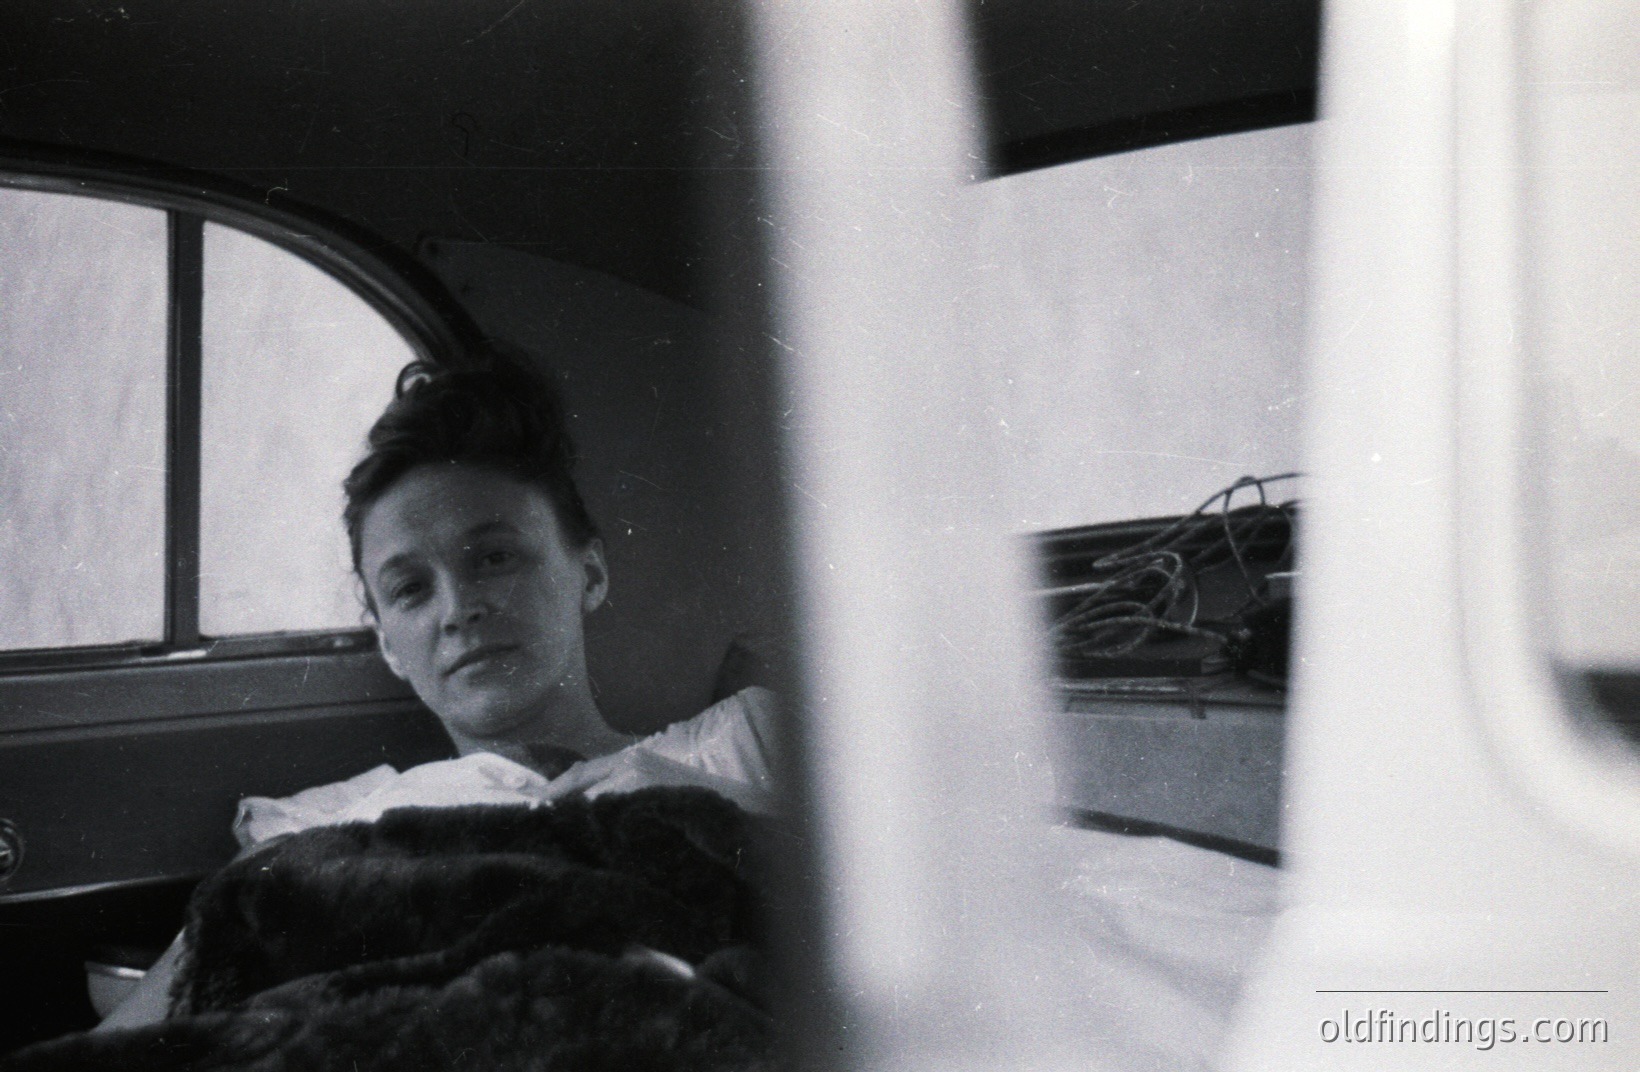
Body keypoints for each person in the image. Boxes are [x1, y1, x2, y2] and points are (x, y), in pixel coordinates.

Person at [99, 348, 777, 1030]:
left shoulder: (741, 749)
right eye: (410, 589)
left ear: (591, 573)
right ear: (389, 643)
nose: (457, 609)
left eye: (493, 558)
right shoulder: (322, 833)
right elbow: (142, 1042)